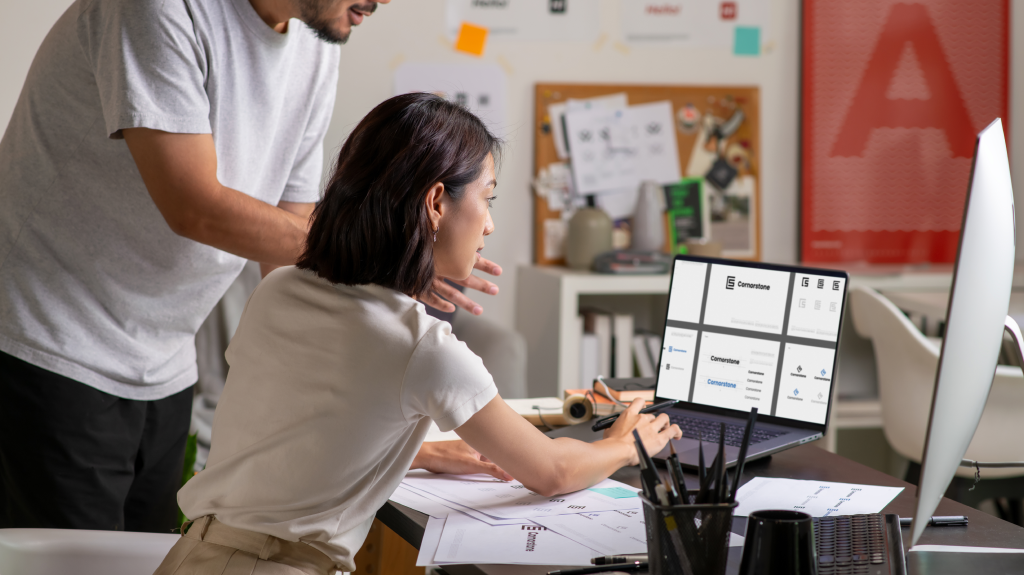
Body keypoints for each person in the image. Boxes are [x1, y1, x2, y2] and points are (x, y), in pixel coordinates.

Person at [0, 0, 501, 534]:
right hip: (50, 346)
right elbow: (193, 206)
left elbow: (296, 247)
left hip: (167, 361)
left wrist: (401, 444)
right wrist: (391, 252)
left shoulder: (315, 40)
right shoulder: (159, 9)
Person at [155, 93, 682, 574]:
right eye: (488, 198)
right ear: (436, 203)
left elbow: (306, 425)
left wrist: (421, 451)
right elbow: (549, 471)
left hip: (192, 555)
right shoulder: (421, 347)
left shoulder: (281, 289)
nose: (490, 225)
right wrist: (625, 444)